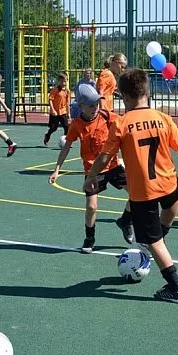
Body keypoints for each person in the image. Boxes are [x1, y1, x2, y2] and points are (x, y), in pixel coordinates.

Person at [84, 68, 178, 303]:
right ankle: (158, 235)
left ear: (125, 97)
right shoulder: (163, 118)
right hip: (168, 183)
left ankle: (175, 288)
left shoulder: (122, 123)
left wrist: (91, 176)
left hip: (143, 192)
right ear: (147, 92)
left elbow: (105, 157)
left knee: (153, 241)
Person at [49, 84, 134, 254]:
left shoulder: (107, 116)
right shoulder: (76, 125)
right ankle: (89, 238)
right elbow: (66, 147)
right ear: (81, 106)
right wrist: (57, 169)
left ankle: (125, 221)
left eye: (96, 104)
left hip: (113, 166)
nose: (95, 108)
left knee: (137, 194)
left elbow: (126, 123)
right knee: (91, 207)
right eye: (90, 105)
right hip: (92, 171)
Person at [43, 72, 70, 146]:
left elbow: (67, 103)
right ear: (59, 81)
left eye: (65, 81)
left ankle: (66, 141)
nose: (64, 83)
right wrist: (52, 110)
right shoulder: (55, 90)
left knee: (66, 127)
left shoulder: (67, 91)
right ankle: (47, 135)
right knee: (54, 128)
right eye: (62, 81)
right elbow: (50, 100)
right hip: (55, 112)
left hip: (63, 111)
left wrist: (68, 112)